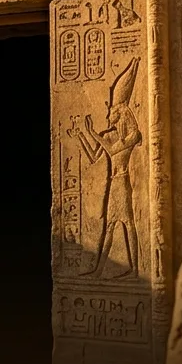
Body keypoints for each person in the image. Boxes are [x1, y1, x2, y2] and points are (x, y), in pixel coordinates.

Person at [68, 59, 142, 279]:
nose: (108, 115)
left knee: (128, 225)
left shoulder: (132, 135)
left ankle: (135, 270)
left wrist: (93, 133)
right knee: (110, 226)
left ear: (121, 112)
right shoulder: (109, 135)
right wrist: (82, 134)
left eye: (112, 111)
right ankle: (99, 269)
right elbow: (93, 157)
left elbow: (111, 150)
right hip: (113, 183)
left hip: (123, 183)